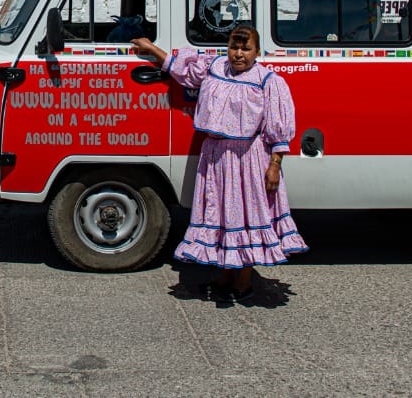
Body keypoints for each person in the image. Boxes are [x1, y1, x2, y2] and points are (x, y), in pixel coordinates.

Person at [130, 26, 307, 301]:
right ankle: (224, 276)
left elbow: (278, 128)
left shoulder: (268, 81)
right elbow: (181, 71)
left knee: (245, 216)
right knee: (222, 215)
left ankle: (243, 282)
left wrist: (274, 165)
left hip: (247, 159)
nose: (239, 54)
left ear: (257, 52)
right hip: (215, 158)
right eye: (234, 48)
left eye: (246, 49)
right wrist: (152, 49)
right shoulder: (214, 68)